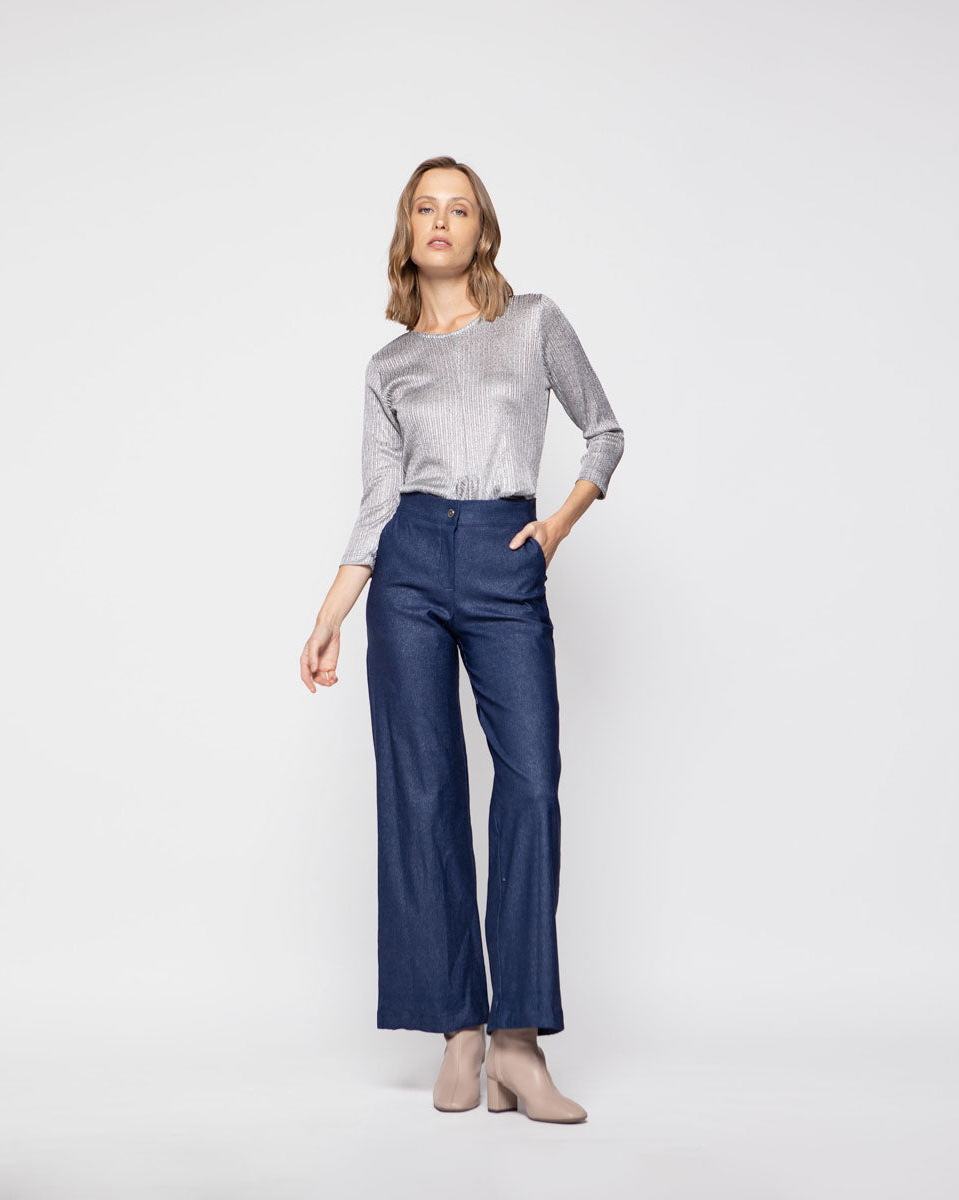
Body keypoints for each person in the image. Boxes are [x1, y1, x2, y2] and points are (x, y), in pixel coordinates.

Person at [300, 156, 625, 1124]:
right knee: (422, 790)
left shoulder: (533, 323)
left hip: (501, 554)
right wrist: (331, 611)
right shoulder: (389, 366)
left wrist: (554, 528)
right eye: (424, 208)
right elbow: (378, 500)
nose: (441, 221)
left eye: (460, 209)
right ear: (407, 232)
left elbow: (605, 433)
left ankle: (518, 1042)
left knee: (529, 781)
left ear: (483, 231)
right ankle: (459, 1032)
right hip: (406, 567)